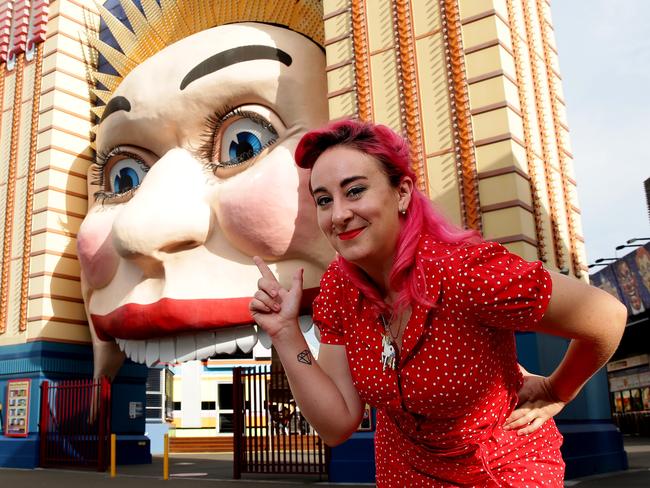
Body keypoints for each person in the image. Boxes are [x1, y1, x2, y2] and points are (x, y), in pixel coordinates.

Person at [249, 119, 626, 486]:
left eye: (355, 190)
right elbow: (337, 424)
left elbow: (607, 316)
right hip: (405, 472)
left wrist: (558, 390)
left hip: (502, 470)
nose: (339, 214)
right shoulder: (338, 287)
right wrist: (285, 334)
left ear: (402, 192)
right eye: (324, 200)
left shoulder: (467, 273)